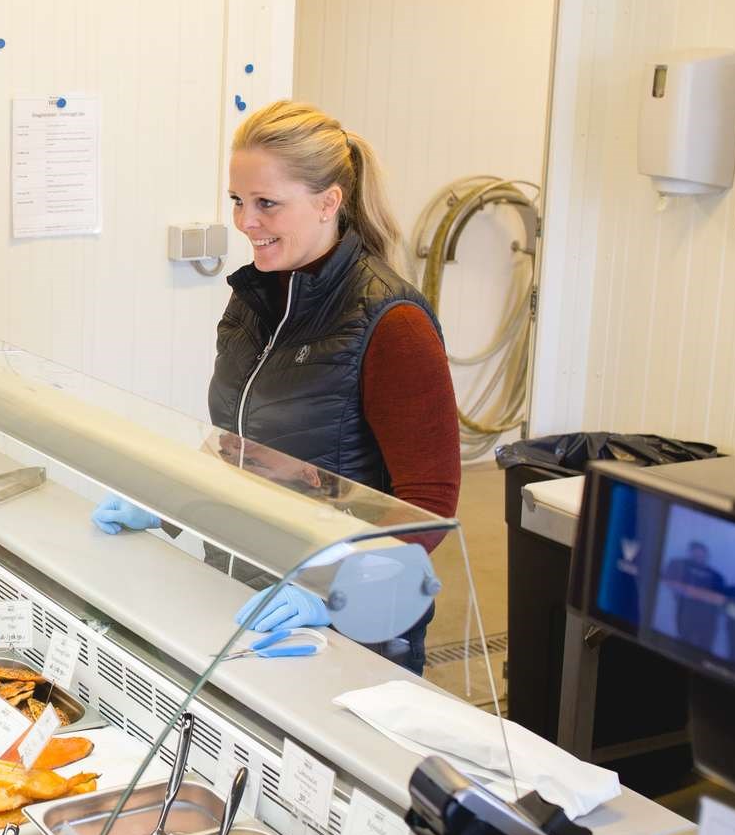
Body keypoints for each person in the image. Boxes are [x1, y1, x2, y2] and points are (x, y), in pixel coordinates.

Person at [94, 101, 460, 675]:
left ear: (328, 202)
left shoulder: (393, 322)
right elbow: (236, 443)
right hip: (246, 593)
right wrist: (166, 506)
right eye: (238, 201)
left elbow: (430, 505)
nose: (245, 222)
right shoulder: (255, 296)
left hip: (351, 625)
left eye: (267, 203)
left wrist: (330, 592)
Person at [661, 541, 726, 649]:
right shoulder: (679, 565)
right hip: (686, 613)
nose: (699, 556)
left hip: (708, 618)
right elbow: (667, 580)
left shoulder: (716, 575)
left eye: (702, 554)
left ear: (706, 555)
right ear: (690, 553)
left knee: (704, 648)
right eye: (695, 553)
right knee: (683, 645)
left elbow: (721, 599)